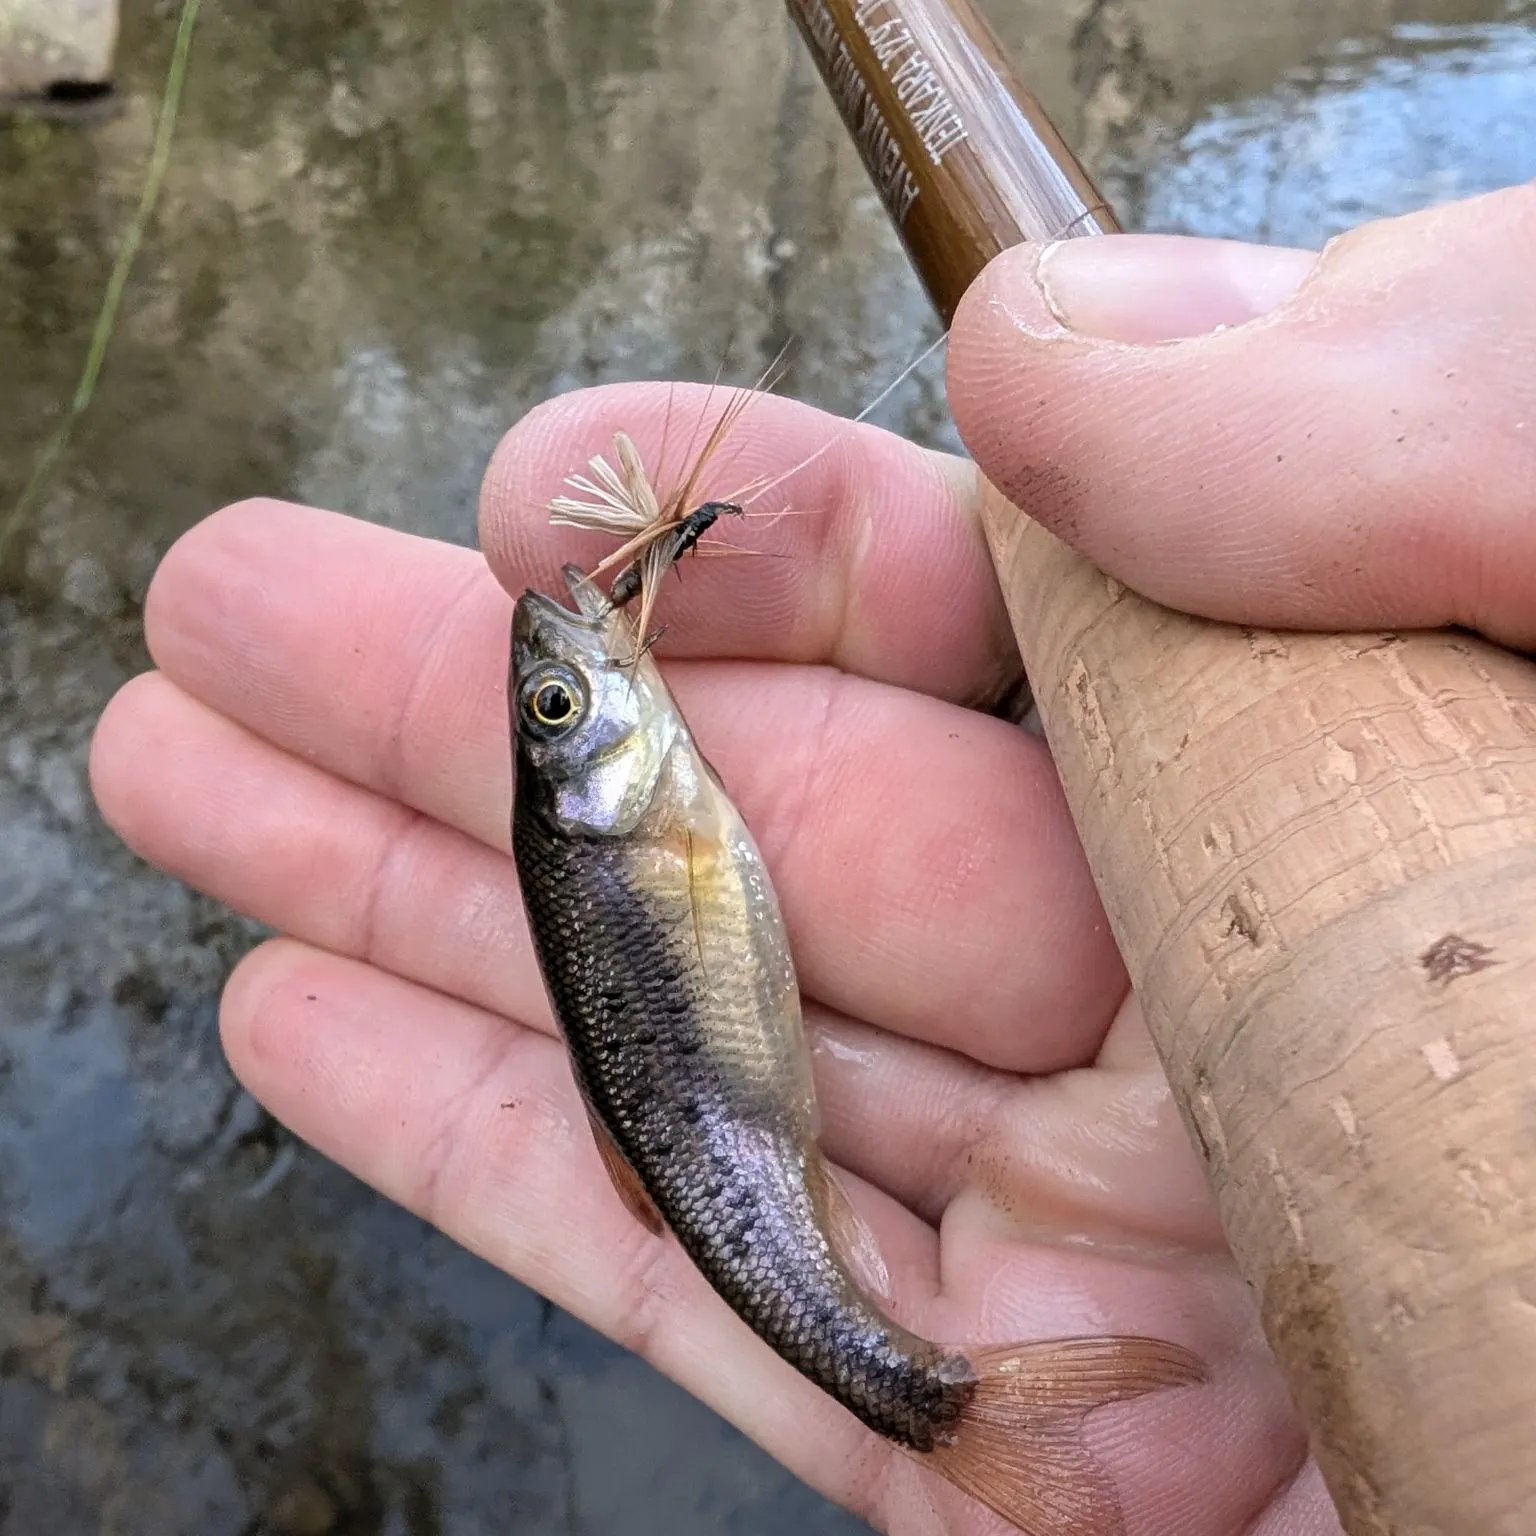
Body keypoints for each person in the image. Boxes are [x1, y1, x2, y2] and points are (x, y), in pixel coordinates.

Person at [89, 182, 1533, 1534]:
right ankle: (934, 1402)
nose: (573, 679)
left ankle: (941, 1403)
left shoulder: (627, 811)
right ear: (569, 765)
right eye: (556, 705)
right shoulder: (623, 822)